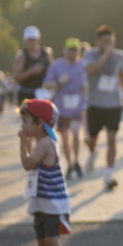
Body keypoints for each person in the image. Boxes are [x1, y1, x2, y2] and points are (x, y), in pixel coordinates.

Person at [18, 99, 76, 246]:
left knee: (51, 240)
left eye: (26, 121)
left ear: (40, 122)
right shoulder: (41, 141)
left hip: (53, 204)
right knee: (42, 241)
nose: (23, 126)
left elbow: (28, 164)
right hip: (43, 202)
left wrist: (22, 142)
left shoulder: (45, 143)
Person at [83, 25, 123, 190]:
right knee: (91, 139)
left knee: (112, 138)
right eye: (105, 41)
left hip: (113, 104)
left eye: (111, 40)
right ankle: (92, 152)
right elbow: (90, 71)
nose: (109, 44)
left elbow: (121, 74)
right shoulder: (90, 55)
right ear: (98, 41)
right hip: (95, 103)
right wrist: (106, 54)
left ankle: (109, 174)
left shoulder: (120, 56)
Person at [43, 38, 88, 179]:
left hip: (78, 107)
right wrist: (58, 82)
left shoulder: (84, 65)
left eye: (75, 50)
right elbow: (46, 85)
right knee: (65, 137)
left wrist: (87, 86)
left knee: (76, 133)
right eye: (70, 50)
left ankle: (76, 161)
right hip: (62, 109)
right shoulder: (56, 66)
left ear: (78, 51)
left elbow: (91, 82)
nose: (72, 53)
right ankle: (69, 164)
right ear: (65, 51)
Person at [12, 25, 52, 104]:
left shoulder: (46, 53)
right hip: (26, 94)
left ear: (38, 39)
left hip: (43, 94)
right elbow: (15, 78)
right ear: (25, 40)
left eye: (33, 40)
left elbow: (52, 71)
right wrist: (31, 71)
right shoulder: (22, 55)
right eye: (29, 40)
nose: (31, 43)